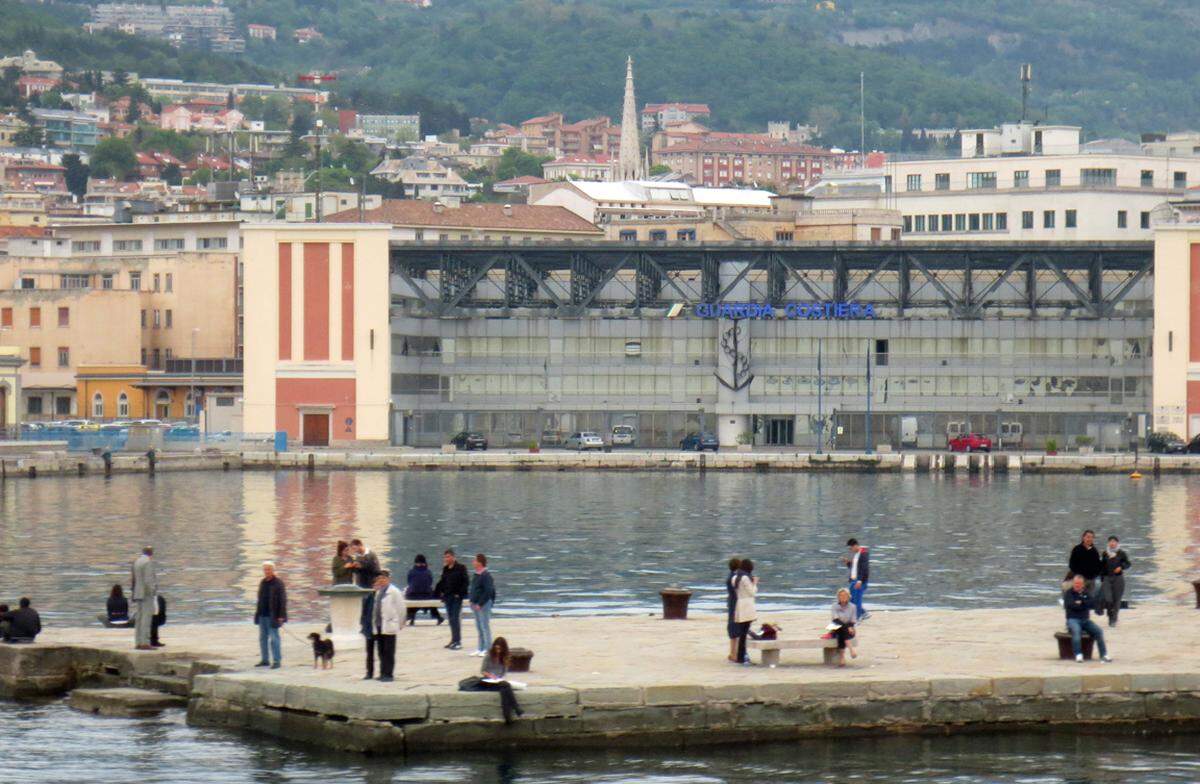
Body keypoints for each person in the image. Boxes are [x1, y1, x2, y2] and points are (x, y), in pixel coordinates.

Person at [460, 637, 524, 724]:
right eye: (496, 648)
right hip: (488, 680)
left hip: (498, 681)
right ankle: (515, 709)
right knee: (506, 686)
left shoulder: (504, 658)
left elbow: (503, 673)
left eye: (500, 649)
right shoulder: (489, 656)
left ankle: (508, 715)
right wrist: (490, 676)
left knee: (505, 689)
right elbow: (483, 670)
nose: (498, 651)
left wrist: (498, 677)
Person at [1063, 574, 1111, 663]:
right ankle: (1078, 654)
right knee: (1076, 631)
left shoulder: (1086, 593)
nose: (1077, 585)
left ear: (1082, 585)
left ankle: (1103, 654)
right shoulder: (1069, 593)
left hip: (1085, 620)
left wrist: (1080, 603)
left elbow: (1091, 604)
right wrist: (1082, 604)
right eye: (1075, 583)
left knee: (1098, 631)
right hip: (1073, 619)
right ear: (1073, 583)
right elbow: (1070, 605)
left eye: (1079, 584)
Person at [253, 562, 287, 669]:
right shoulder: (262, 582)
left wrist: (281, 616)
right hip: (262, 614)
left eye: (269, 569)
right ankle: (265, 659)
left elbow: (283, 600)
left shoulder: (278, 583)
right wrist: (257, 614)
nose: (267, 571)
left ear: (273, 570)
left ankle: (277, 661)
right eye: (265, 569)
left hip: (273, 615)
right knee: (262, 638)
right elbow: (259, 599)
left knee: (274, 638)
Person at [372, 570, 404, 682]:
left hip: (390, 624)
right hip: (379, 625)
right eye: (379, 578)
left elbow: (401, 608)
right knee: (381, 651)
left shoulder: (394, 592)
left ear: (388, 579)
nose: (381, 580)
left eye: (384, 578)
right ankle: (382, 673)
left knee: (389, 651)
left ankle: (389, 674)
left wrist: (401, 623)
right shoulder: (378, 592)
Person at [436, 549, 470, 650]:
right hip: (447, 597)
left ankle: (458, 641)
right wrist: (439, 592)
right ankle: (453, 640)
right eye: (445, 557)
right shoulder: (445, 569)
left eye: (448, 557)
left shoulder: (461, 568)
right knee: (450, 620)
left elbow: (466, 581)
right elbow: (442, 581)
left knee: (455, 618)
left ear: (453, 557)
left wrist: (459, 594)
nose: (446, 559)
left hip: (456, 598)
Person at [131, 546, 158, 650]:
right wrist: (153, 591)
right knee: (146, 618)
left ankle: (138, 642)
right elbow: (148, 580)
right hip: (146, 594)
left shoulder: (137, 561)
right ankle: (145, 643)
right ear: (151, 553)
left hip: (138, 593)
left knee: (139, 618)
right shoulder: (148, 562)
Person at [469, 554, 496, 656]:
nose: (473, 562)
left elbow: (488, 591)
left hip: (483, 604)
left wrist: (480, 603)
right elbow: (474, 589)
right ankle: (480, 648)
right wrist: (472, 601)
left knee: (485, 626)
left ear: (480, 562)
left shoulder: (486, 575)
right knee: (479, 627)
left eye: (474, 560)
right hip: (475, 604)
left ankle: (488, 649)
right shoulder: (476, 575)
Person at [1100, 536, 1131, 626]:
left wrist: (1121, 567)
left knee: (1117, 600)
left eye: (1114, 541)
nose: (1112, 543)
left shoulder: (1121, 553)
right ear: (1108, 543)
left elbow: (1128, 564)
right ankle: (1110, 615)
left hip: (1118, 578)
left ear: (1117, 543)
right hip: (1107, 578)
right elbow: (1102, 566)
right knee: (1108, 599)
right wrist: (1102, 578)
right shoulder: (1105, 553)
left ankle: (1113, 619)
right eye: (1110, 541)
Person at [732, 558, 758, 665]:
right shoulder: (745, 578)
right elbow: (752, 592)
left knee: (742, 632)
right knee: (744, 632)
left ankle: (740, 656)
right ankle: (742, 656)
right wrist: (755, 583)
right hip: (747, 605)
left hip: (740, 604)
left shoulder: (735, 578)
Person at [405, 554, 443, 625]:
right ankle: (438, 617)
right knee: (431, 601)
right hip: (427, 596)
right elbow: (430, 582)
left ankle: (411, 617)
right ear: (425, 563)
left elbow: (409, 582)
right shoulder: (428, 572)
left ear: (415, 563)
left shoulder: (411, 572)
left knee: (411, 596)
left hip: (413, 596)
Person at [1068, 529, 1102, 597]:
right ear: (1083, 537)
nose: (1089, 539)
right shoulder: (1077, 549)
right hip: (1080, 579)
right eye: (1088, 537)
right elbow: (1072, 564)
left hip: (1091, 579)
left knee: (1089, 597)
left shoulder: (1094, 551)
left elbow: (1098, 565)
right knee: (1078, 596)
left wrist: (1095, 575)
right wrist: (1077, 575)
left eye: (1092, 537)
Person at [829, 587, 858, 667]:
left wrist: (850, 627)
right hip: (835, 627)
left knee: (843, 632)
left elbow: (853, 620)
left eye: (845, 595)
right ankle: (851, 650)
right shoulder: (834, 606)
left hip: (848, 628)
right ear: (838, 597)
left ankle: (842, 657)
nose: (843, 597)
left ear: (848, 597)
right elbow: (836, 620)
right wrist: (847, 627)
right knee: (842, 629)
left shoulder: (853, 607)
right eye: (841, 595)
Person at [843, 538, 870, 621]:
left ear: (855, 545)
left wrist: (860, 581)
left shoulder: (863, 554)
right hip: (853, 580)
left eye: (851, 548)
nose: (850, 550)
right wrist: (848, 563)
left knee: (857, 600)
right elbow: (854, 568)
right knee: (851, 599)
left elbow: (864, 569)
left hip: (859, 581)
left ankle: (857, 618)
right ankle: (864, 613)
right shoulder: (856, 554)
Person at [725, 557, 743, 663]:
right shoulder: (734, 578)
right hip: (735, 603)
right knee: (735, 627)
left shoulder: (731, 576)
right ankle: (734, 653)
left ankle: (733, 652)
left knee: (732, 627)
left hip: (732, 602)